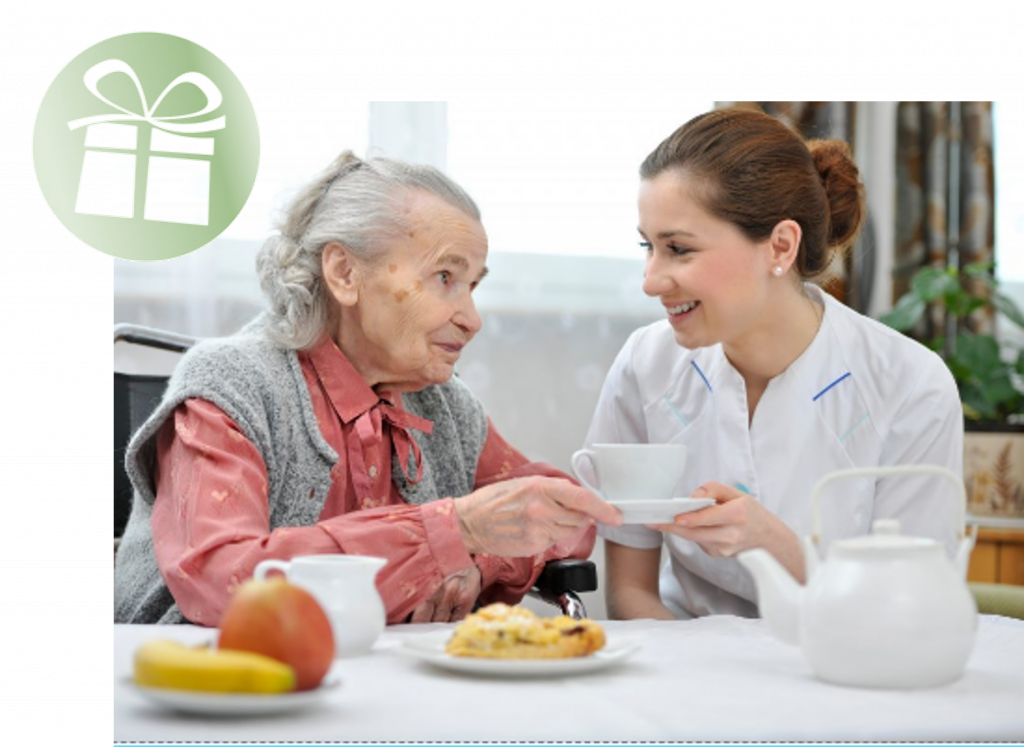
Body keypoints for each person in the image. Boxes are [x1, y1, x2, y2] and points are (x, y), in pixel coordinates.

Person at [114, 152, 622, 626]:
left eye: (473, 286)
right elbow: (224, 579)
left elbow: (569, 516)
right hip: (205, 686)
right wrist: (453, 532)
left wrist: (479, 557)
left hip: (375, 688)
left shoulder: (444, 404)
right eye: (444, 276)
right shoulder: (232, 385)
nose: (472, 319)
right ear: (345, 272)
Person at [586, 109, 963, 621]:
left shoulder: (910, 386)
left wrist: (775, 544)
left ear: (780, 246)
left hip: (845, 667)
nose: (651, 280)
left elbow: (913, 607)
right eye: (647, 247)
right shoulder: (645, 365)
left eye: (678, 248)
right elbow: (632, 594)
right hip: (681, 666)